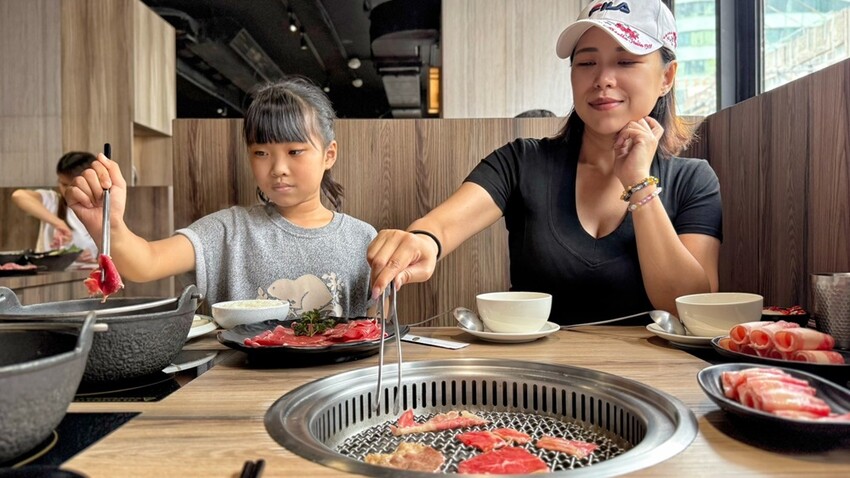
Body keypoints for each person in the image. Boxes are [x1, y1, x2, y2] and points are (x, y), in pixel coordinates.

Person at [367, 0, 722, 325]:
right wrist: (420, 241)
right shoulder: (522, 161)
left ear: (666, 77)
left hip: (650, 383)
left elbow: (688, 308)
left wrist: (639, 185)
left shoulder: (693, 181)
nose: (602, 80)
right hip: (535, 380)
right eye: (586, 62)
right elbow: (440, 228)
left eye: (626, 61)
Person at [65, 77, 377, 318]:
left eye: (295, 151)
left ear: (329, 154)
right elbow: (145, 263)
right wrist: (109, 224)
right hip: (236, 392)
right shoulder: (228, 230)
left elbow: (378, 327)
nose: (278, 168)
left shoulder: (362, 238)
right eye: (261, 153)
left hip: (332, 392)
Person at [12, 152, 99, 262]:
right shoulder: (53, 201)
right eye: (63, 184)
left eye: (73, 185)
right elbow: (18, 195)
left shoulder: (100, 212)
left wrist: (90, 260)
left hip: (83, 275)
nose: (67, 190)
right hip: (47, 275)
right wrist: (58, 223)